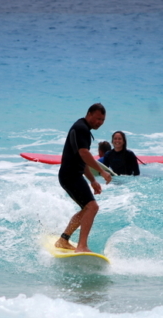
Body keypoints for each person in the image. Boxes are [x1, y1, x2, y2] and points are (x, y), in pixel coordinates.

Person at [56, 103, 112, 253]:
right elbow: (84, 154)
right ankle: (82, 246)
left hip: (70, 175)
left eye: (102, 120)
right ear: (89, 114)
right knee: (92, 207)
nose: (99, 122)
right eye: (97, 118)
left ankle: (63, 240)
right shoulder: (81, 129)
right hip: (70, 175)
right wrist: (102, 172)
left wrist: (92, 180)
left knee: (87, 208)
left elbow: (82, 160)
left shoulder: (82, 128)